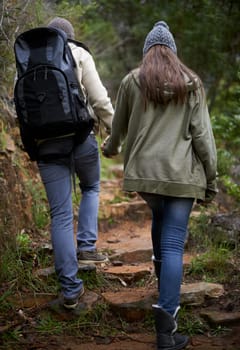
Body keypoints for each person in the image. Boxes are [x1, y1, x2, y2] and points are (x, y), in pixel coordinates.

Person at [102, 21, 217, 350]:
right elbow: (203, 138)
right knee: (173, 244)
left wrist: (110, 150)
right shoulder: (191, 83)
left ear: (147, 52)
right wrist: (212, 179)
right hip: (182, 175)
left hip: (147, 176)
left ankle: (162, 278)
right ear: (173, 52)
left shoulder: (131, 80)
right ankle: (166, 331)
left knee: (161, 219)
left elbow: (118, 127)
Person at [37, 17, 114, 309]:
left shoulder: (30, 58)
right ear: (70, 36)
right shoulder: (79, 54)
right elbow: (100, 101)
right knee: (91, 186)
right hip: (81, 138)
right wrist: (116, 135)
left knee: (60, 214)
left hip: (45, 144)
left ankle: (70, 292)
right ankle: (86, 247)